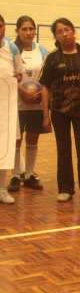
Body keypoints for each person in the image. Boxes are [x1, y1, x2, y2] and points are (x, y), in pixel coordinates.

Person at [38, 18, 80, 204]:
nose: (64, 34)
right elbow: (45, 87)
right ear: (55, 36)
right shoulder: (52, 58)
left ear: (74, 31)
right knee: (63, 150)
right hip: (59, 111)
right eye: (60, 31)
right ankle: (65, 188)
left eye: (67, 29)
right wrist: (45, 116)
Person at [7, 16, 49, 193]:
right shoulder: (12, 50)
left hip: (37, 104)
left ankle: (29, 175)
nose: (28, 32)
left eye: (31, 28)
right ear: (17, 31)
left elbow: (47, 75)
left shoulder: (42, 50)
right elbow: (9, 75)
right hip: (16, 102)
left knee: (33, 138)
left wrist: (40, 96)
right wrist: (23, 92)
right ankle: (16, 176)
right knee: (17, 140)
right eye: (24, 29)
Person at [0, 14, 23, 204]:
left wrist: (17, 79)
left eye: (0, 26)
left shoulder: (12, 48)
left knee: (5, 147)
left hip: (5, 108)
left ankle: (1, 189)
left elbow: (19, 74)